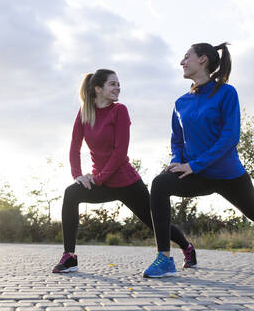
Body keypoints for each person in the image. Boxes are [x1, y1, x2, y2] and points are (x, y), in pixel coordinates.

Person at [142, 43, 254, 278]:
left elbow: (230, 137)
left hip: (228, 175)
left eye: (186, 57)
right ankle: (164, 258)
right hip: (196, 176)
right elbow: (177, 140)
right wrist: (177, 160)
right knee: (160, 183)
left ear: (203, 60)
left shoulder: (227, 93)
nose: (181, 62)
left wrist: (195, 164)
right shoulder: (180, 102)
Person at [53, 69, 195, 273]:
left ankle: (187, 248)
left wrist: (98, 179)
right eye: (113, 84)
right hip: (101, 181)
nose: (118, 88)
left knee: (153, 221)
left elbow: (120, 153)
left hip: (126, 183)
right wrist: (78, 175)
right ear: (98, 88)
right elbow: (75, 146)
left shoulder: (119, 110)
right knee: (71, 192)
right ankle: (69, 257)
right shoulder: (85, 112)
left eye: (119, 84)